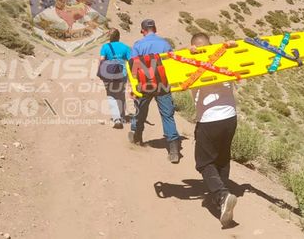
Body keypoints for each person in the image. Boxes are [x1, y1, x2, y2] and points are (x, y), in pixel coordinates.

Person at [188, 32, 238, 227]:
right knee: (222, 159)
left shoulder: (191, 63)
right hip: (230, 118)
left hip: (209, 119)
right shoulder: (225, 61)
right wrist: (229, 47)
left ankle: (222, 195)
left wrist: (193, 55)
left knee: (204, 163)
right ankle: (221, 202)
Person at [127, 19, 182, 164]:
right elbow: (172, 64)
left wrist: (132, 87)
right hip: (162, 84)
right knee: (167, 116)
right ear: (155, 29)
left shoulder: (138, 45)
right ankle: (174, 151)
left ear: (142, 31)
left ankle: (136, 136)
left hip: (144, 85)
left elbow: (133, 68)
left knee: (140, 111)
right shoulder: (165, 44)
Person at [99, 28, 132, 129]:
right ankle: (122, 116)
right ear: (119, 36)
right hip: (122, 73)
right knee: (121, 95)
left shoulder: (105, 47)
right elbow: (131, 61)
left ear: (109, 37)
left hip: (109, 74)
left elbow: (102, 60)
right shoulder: (125, 47)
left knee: (111, 96)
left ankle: (116, 119)